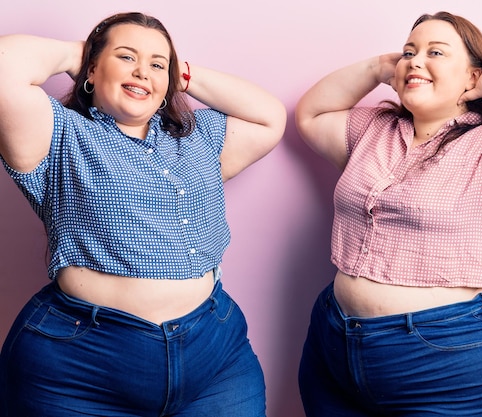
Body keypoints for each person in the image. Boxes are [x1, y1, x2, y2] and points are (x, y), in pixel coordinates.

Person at [295, 11, 482, 417]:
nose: (415, 60)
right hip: (335, 345)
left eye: (436, 52)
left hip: (455, 366)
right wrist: (380, 67)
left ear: (474, 77)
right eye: (409, 51)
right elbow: (311, 116)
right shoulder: (374, 130)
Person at [0, 12, 286, 417]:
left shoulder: (197, 137)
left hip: (214, 356)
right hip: (79, 366)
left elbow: (269, 117)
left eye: (157, 64)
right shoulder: (58, 133)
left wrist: (178, 74)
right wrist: (79, 54)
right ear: (91, 71)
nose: (142, 72)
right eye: (126, 57)